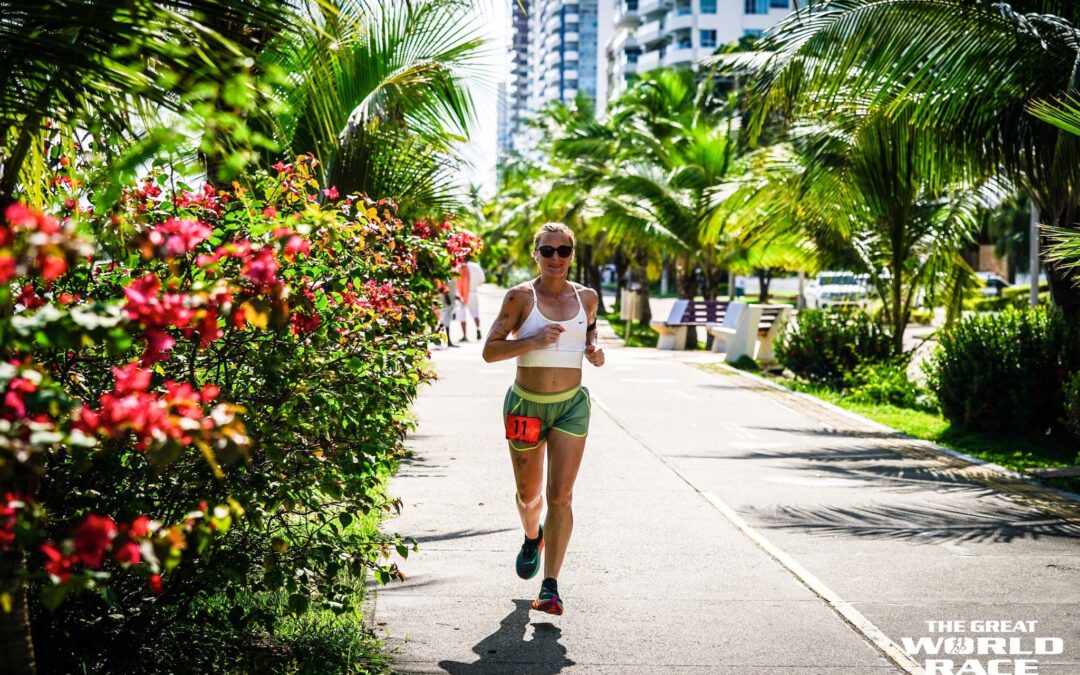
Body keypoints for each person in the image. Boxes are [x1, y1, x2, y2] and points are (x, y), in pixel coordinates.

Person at [481, 222, 605, 616]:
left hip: (571, 404)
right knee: (529, 495)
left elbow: (591, 332)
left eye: (563, 251)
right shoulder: (520, 297)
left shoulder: (587, 297)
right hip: (526, 406)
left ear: (572, 254)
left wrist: (594, 349)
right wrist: (533, 341)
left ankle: (550, 586)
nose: (555, 258)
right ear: (535, 254)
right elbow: (490, 350)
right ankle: (532, 537)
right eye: (547, 251)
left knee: (561, 496)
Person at [458, 257, 486, 341]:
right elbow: (482, 279)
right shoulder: (476, 266)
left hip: (461, 294)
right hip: (473, 292)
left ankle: (464, 336)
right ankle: (478, 328)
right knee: (475, 313)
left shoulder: (458, 266)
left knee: (461, 314)